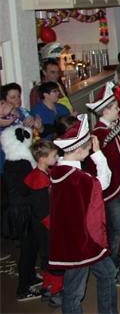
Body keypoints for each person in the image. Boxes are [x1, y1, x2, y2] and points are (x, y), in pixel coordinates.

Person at [49, 115, 118, 314]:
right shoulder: (79, 179)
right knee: (74, 291)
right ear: (79, 150)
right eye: (88, 147)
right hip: (81, 243)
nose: (90, 149)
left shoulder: (58, 170)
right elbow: (103, 182)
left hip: (73, 238)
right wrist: (98, 154)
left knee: (107, 273)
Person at [86, 81, 120, 286]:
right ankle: (112, 271)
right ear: (105, 110)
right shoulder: (100, 133)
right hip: (112, 191)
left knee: (119, 229)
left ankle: (117, 261)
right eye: (115, 107)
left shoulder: (110, 129)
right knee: (114, 230)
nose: (119, 110)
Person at [2, 124, 39, 301]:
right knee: (27, 248)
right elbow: (25, 188)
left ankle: (30, 277)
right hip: (23, 210)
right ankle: (23, 288)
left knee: (31, 246)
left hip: (21, 208)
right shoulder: (22, 163)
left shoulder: (12, 162)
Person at [24, 139, 62, 306]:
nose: (56, 158)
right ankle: (55, 291)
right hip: (45, 226)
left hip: (42, 225)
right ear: (42, 159)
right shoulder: (39, 180)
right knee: (54, 258)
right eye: (54, 156)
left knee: (47, 257)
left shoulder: (43, 173)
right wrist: (54, 227)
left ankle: (47, 286)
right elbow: (42, 210)